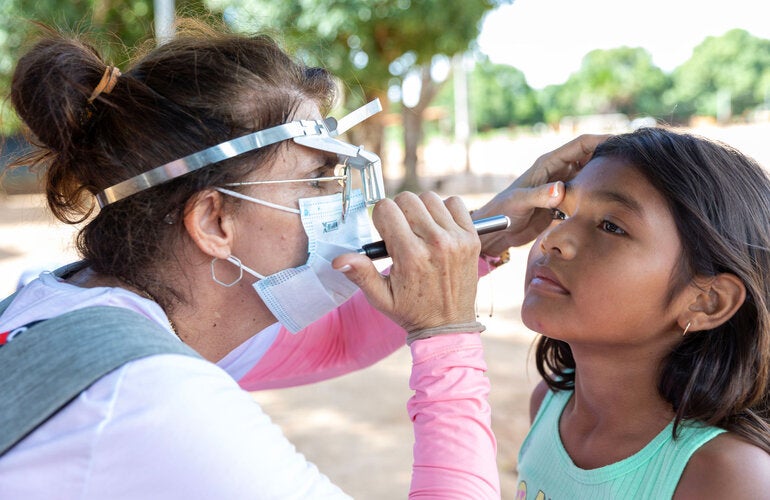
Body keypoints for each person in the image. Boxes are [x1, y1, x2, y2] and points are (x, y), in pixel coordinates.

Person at [0, 20, 604, 498]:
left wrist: (482, 237)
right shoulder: (149, 400)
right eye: (317, 181)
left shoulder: (72, 306)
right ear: (215, 221)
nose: (340, 204)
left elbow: (337, 338)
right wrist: (446, 334)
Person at [515, 127, 770, 499]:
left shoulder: (727, 474)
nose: (553, 240)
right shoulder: (549, 406)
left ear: (705, 301)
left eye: (611, 226)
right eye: (560, 213)